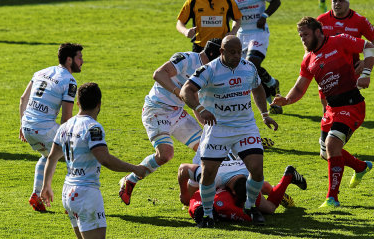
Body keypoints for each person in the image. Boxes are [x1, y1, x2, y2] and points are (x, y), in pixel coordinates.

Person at [40, 83, 148, 239]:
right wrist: (134, 168)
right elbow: (104, 159)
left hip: (68, 192)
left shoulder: (65, 126)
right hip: (86, 193)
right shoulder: (93, 128)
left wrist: (46, 186)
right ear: (99, 104)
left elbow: (52, 157)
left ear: (77, 103)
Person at [271, 17, 374, 208]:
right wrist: (286, 99)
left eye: (306, 35)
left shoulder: (340, 40)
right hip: (331, 109)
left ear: (318, 32)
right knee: (325, 153)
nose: (302, 39)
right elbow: (300, 88)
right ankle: (361, 167)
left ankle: (332, 198)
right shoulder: (308, 59)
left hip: (351, 105)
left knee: (332, 145)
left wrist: (366, 73)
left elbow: (369, 46)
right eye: (300, 35)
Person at [180, 35, 278, 227]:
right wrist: (200, 109)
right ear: (222, 52)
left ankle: (250, 207)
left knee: (257, 170)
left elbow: (258, 88)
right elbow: (186, 90)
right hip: (218, 128)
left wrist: (265, 114)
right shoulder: (209, 70)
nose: (236, 56)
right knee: (208, 174)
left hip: (245, 127)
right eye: (232, 52)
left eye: (239, 52)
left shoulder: (248, 68)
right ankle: (207, 214)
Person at [119, 39, 223, 205]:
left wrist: (208, 127)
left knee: (208, 147)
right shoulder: (186, 59)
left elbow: (194, 100)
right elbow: (158, 74)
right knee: (165, 154)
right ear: (213, 55)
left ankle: (203, 197)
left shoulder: (206, 71)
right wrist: (177, 91)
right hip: (157, 110)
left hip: (177, 113)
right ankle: (130, 179)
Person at [19, 43, 83, 212]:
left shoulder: (41, 72)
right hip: (45, 129)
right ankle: (72, 203)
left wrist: (22, 123)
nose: (82, 61)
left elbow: (23, 99)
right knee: (75, 156)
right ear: (69, 60)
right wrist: (68, 141)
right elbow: (66, 117)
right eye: (79, 57)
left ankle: (37, 194)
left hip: (27, 126)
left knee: (49, 155)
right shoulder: (69, 81)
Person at [177, 152, 307, 223]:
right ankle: (287, 177)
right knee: (188, 198)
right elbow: (183, 169)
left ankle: (288, 176)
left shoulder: (251, 174)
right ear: (233, 192)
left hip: (236, 166)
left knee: (270, 208)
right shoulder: (213, 177)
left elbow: (261, 184)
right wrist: (183, 193)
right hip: (215, 155)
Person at [317, 0, 374, 112]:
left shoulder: (360, 21)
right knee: (328, 104)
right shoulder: (321, 20)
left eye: (341, 1)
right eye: (334, 1)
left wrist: (365, 62)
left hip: (350, 69)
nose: (337, 4)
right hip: (326, 68)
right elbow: (311, 44)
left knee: (341, 103)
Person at [234, 0, 283, 114]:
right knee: (247, 71)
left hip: (258, 32)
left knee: (252, 63)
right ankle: (272, 96)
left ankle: (272, 88)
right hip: (241, 34)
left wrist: (264, 15)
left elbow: (276, 2)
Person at [176, 0, 242, 52]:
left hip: (222, 47)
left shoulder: (228, 1)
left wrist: (233, 32)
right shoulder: (192, 2)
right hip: (200, 47)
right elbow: (179, 23)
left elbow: (238, 19)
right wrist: (185, 31)